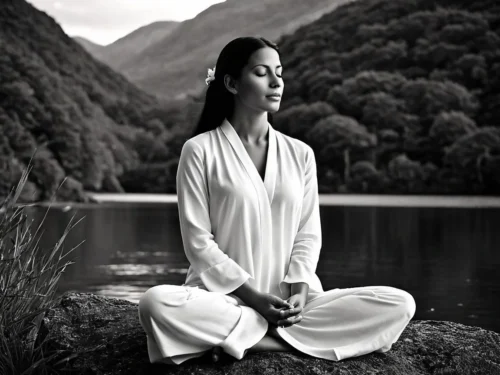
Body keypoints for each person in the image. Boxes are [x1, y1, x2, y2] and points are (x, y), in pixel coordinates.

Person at [138, 36, 416, 365]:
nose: (276, 82)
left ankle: (252, 340)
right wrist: (253, 297)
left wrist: (298, 290)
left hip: (292, 305)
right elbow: (198, 243)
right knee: (154, 303)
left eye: (279, 73)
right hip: (224, 298)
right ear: (231, 83)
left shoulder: (300, 154)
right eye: (261, 72)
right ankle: (282, 338)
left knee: (399, 303)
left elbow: (308, 233)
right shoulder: (200, 150)